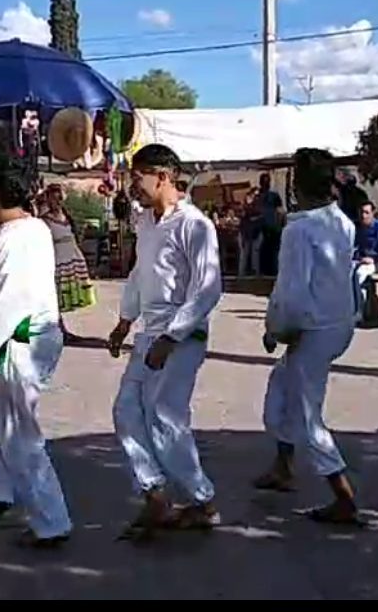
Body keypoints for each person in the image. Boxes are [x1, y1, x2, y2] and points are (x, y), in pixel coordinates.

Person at [107, 144, 223, 538]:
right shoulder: (146, 222)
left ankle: (202, 501)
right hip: (148, 334)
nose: (132, 186)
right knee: (126, 411)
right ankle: (155, 494)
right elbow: (141, 273)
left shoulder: (195, 225)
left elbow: (207, 288)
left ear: (163, 177)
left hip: (181, 337)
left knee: (165, 417)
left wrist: (172, 336)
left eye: (138, 177)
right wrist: (125, 321)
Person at [0, 155, 72, 548]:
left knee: (20, 435)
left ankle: (52, 522)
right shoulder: (32, 228)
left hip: (21, 342)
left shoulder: (14, 238)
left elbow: (9, 304)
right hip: (25, 338)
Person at [254, 148, 363, 525]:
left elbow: (292, 290)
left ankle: (343, 495)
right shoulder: (341, 221)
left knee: (305, 411)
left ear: (296, 186)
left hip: (311, 326)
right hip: (337, 322)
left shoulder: (299, 230)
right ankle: (283, 465)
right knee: (282, 386)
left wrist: (275, 329)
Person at [39, 183, 97, 342]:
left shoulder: (66, 217)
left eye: (59, 198)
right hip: (57, 259)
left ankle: (61, 329)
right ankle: (58, 329)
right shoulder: (44, 220)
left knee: (62, 296)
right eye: (54, 198)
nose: (57, 201)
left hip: (71, 256)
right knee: (55, 296)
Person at [353, 200, 378, 323]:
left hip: (376, 262)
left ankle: (359, 312)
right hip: (360, 260)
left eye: (366, 212)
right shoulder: (357, 227)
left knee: (359, 275)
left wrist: (375, 258)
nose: (363, 216)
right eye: (361, 212)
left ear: (372, 213)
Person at [256, 172, 285, 276]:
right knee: (272, 250)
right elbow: (280, 212)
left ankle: (266, 271)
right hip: (270, 227)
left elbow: (280, 211)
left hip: (265, 227)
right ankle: (271, 271)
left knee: (267, 250)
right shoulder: (268, 196)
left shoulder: (258, 196)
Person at [237, 188, 262, 277]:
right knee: (244, 254)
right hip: (245, 233)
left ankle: (255, 274)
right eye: (254, 195)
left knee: (255, 254)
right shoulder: (244, 206)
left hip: (255, 233)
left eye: (257, 196)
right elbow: (244, 214)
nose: (255, 198)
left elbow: (258, 216)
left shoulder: (258, 206)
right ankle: (242, 275)